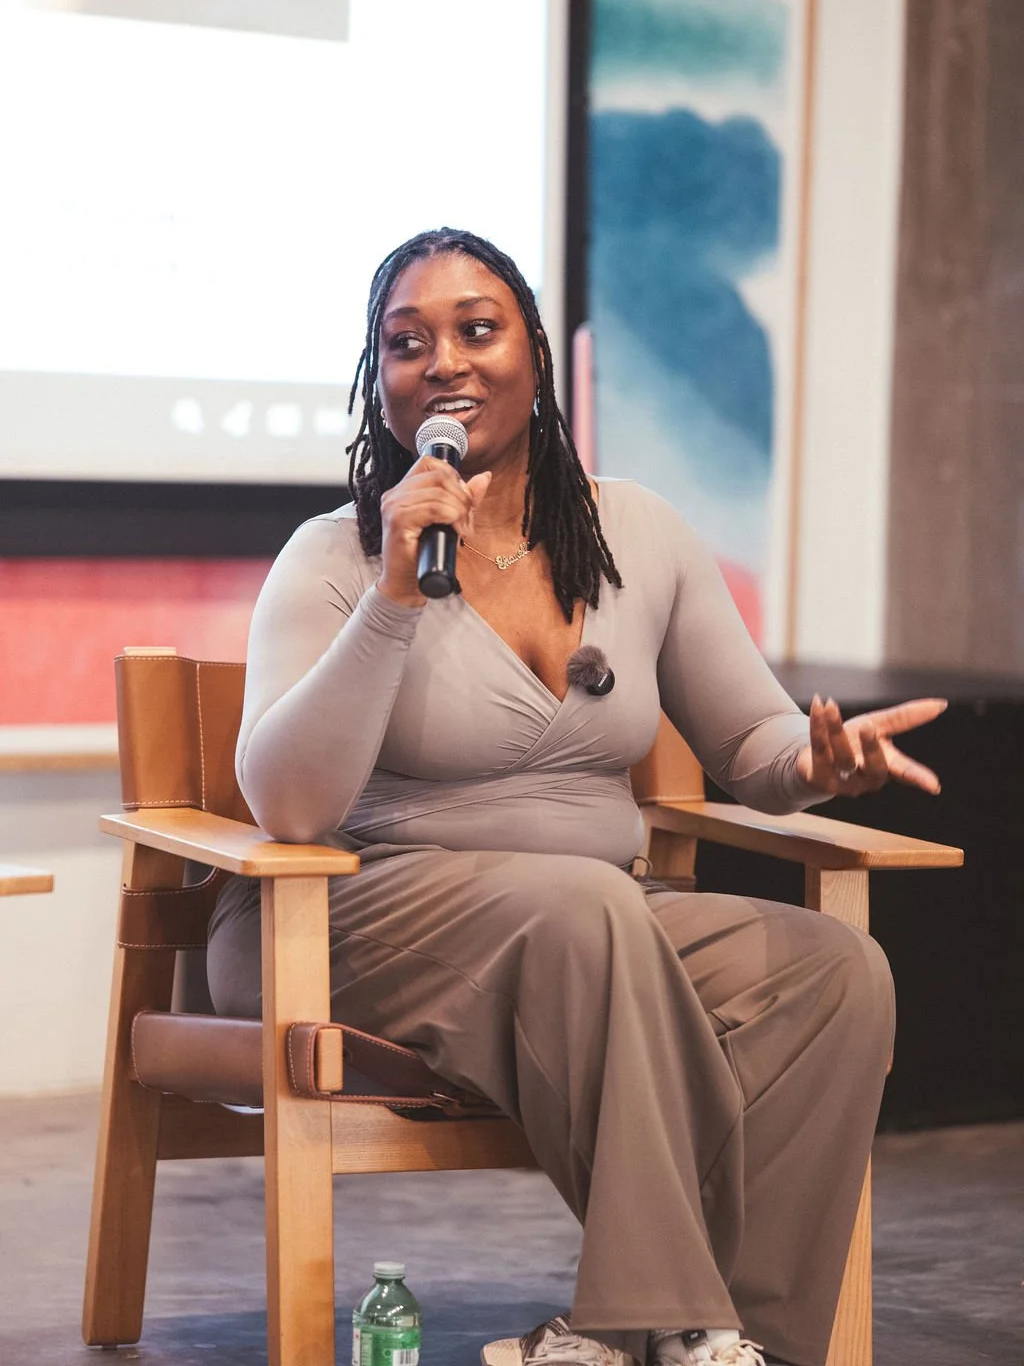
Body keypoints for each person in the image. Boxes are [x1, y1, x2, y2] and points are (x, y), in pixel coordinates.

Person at [206, 228, 945, 1366]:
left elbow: (751, 737)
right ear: (380, 380)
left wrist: (813, 764)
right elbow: (290, 806)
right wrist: (395, 600)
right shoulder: (335, 558)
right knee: (583, 910)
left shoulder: (633, 534)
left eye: (477, 328)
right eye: (407, 343)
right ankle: (654, 1317)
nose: (442, 361)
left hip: (583, 929)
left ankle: (726, 1338)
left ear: (535, 358)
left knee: (833, 971)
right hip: (348, 919)